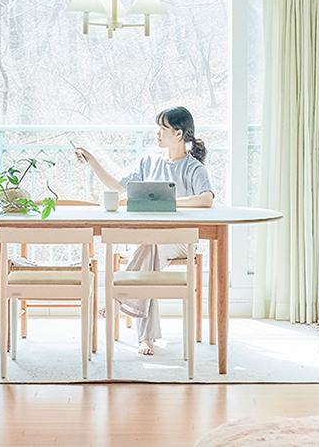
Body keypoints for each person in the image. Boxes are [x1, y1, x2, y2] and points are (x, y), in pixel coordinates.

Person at [74, 106, 214, 355]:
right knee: (149, 247)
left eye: (163, 128)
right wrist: (92, 162)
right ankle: (144, 336)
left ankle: (120, 298)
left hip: (181, 239)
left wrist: (168, 202)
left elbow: (206, 199)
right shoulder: (149, 161)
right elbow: (118, 188)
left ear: (179, 134)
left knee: (150, 244)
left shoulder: (194, 168)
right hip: (149, 239)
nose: (157, 133)